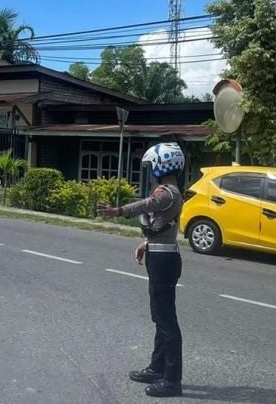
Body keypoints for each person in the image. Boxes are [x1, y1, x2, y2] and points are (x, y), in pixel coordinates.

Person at [97, 142, 185, 398]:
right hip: (159, 255)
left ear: (161, 166)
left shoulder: (168, 193)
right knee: (160, 317)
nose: (149, 172)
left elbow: (148, 205)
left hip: (164, 261)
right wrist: (145, 243)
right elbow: (161, 226)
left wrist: (118, 211)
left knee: (166, 320)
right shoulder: (169, 192)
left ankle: (172, 380)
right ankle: (157, 367)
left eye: (151, 166)